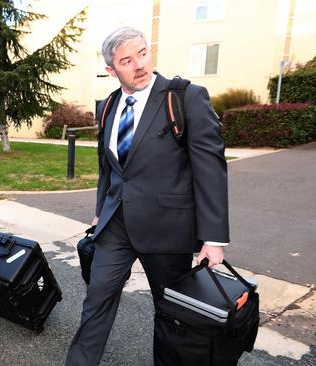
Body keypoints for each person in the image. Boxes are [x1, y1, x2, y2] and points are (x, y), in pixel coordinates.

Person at [65, 27, 229, 365]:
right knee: (97, 298)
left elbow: (210, 169)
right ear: (112, 69)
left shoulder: (185, 97)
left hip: (168, 229)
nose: (139, 64)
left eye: (143, 53)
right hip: (116, 226)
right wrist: (99, 211)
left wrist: (213, 238)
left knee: (171, 313)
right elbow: (107, 166)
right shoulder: (109, 105)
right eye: (127, 60)